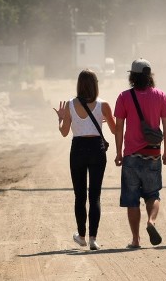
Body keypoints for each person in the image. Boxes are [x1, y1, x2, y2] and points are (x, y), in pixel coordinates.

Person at [113, 58, 166, 249]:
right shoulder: (161, 95)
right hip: (153, 153)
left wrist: (118, 153)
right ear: (149, 76)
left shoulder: (124, 97)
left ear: (132, 76)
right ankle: (151, 222)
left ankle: (136, 239)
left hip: (131, 155)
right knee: (152, 194)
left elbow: (119, 128)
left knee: (132, 199)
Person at [54, 69, 116, 251]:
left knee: (79, 196)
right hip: (97, 149)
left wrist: (60, 119)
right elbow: (114, 130)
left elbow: (64, 133)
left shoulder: (70, 105)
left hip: (78, 150)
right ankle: (93, 239)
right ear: (95, 84)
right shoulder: (103, 105)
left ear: (79, 85)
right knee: (95, 195)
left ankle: (81, 236)